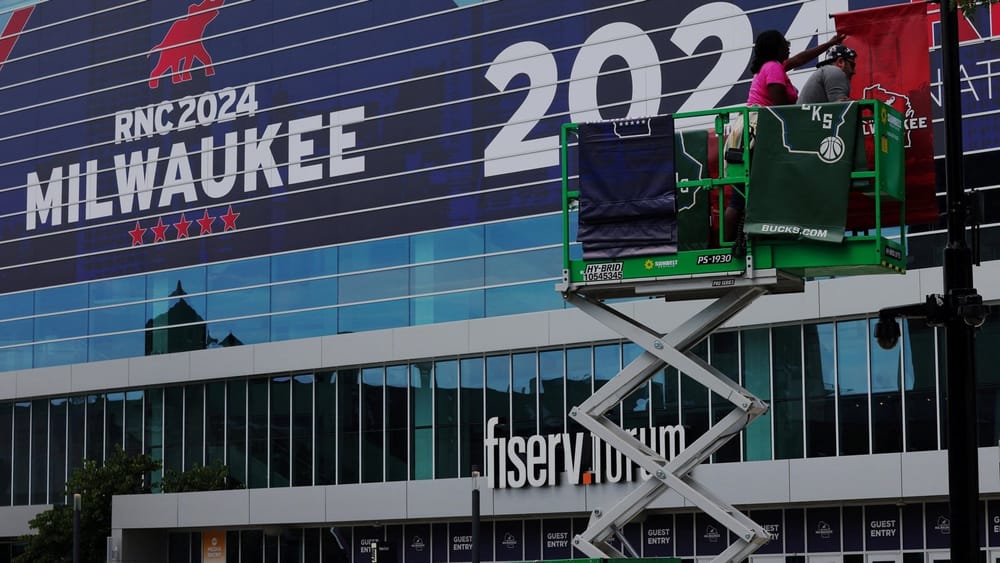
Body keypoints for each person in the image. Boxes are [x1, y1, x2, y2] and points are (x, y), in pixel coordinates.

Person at [725, 30, 846, 252]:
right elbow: (782, 108)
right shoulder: (772, 68)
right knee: (740, 197)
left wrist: (828, 44)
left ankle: (731, 243)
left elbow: (800, 59)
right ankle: (728, 246)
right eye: (784, 43)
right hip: (758, 134)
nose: (788, 45)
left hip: (756, 133)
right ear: (775, 48)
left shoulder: (773, 67)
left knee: (741, 195)